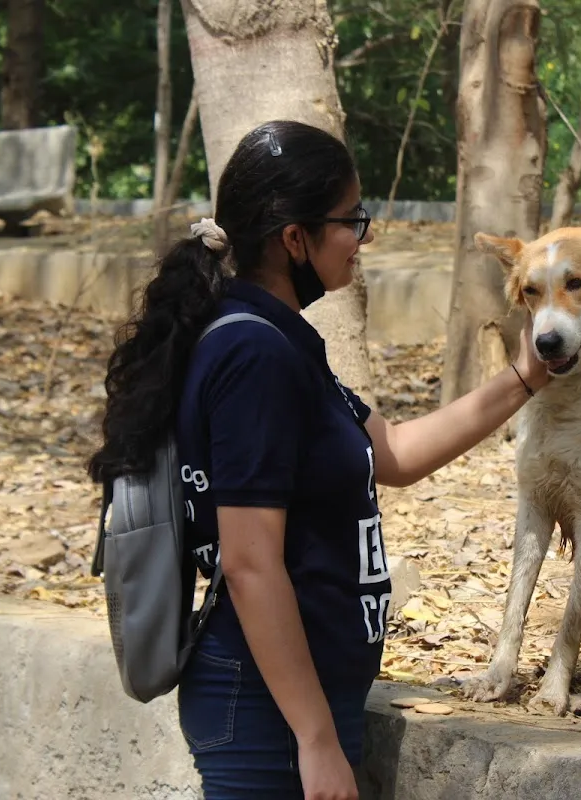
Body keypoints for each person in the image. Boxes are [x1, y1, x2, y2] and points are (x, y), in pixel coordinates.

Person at [87, 119, 549, 800]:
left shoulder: (279, 341)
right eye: (351, 220)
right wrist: (315, 739)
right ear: (294, 238)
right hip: (265, 718)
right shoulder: (254, 356)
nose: (366, 236)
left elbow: (393, 453)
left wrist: (526, 376)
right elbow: (248, 563)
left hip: (292, 707)